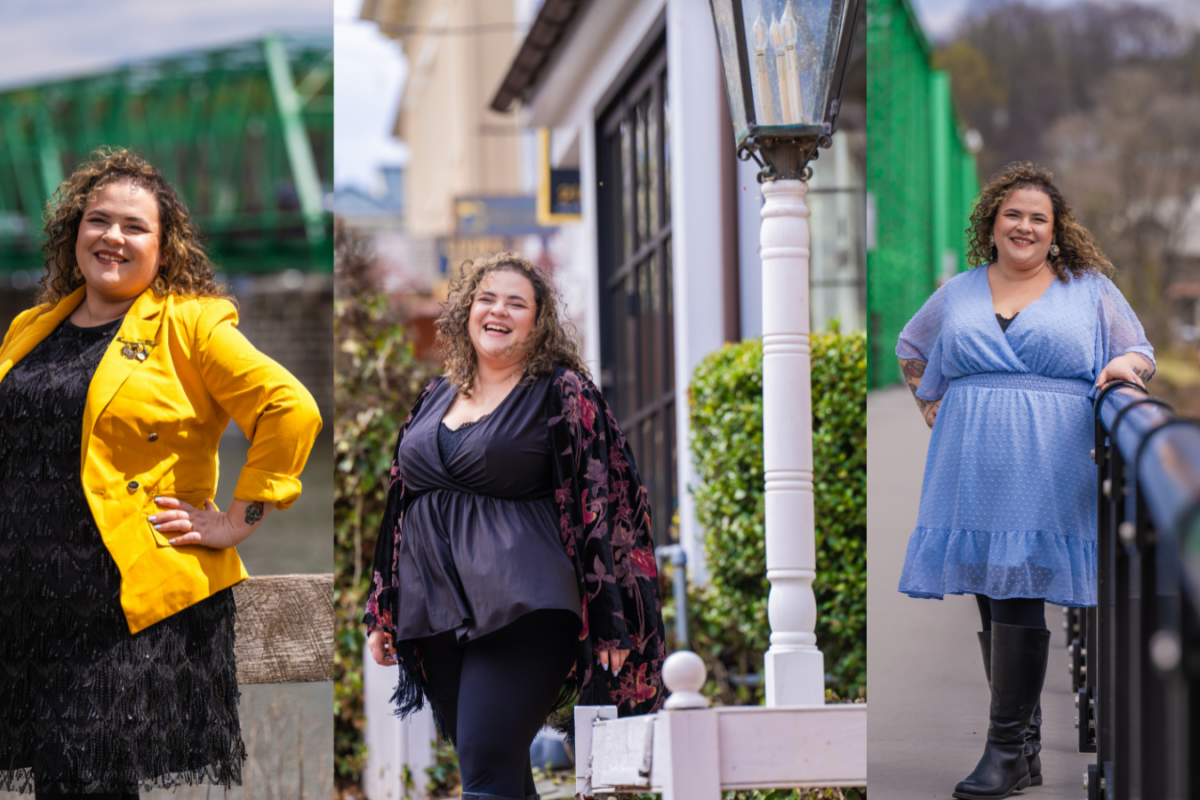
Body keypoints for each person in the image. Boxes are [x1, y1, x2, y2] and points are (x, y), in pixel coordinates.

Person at [0, 148, 322, 798]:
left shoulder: (191, 325)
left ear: (165, 248)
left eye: (134, 226)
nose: (112, 236)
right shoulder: (32, 328)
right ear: (74, 232)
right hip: (22, 599)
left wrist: (238, 518)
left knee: (86, 786)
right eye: (98, 220)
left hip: (115, 608)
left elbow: (291, 409)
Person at [364, 252, 666, 800]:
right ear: (465, 311)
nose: (498, 311)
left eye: (516, 302)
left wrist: (611, 618)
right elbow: (400, 502)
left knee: (482, 768)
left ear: (538, 320)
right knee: (499, 773)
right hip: (437, 610)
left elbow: (607, 504)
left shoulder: (562, 394)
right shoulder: (436, 394)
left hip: (526, 602)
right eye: (487, 298)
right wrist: (382, 605)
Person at [895, 162, 1153, 800]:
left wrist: (1121, 362)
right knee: (990, 588)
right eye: (1013, 214)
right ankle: (1025, 749)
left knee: (1017, 590)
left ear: (1056, 229)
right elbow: (911, 346)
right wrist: (929, 404)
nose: (1025, 226)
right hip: (969, 458)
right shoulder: (958, 290)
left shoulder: (1088, 288)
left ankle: (1005, 750)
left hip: (1049, 462)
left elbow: (1140, 353)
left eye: (1039, 217)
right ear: (992, 221)